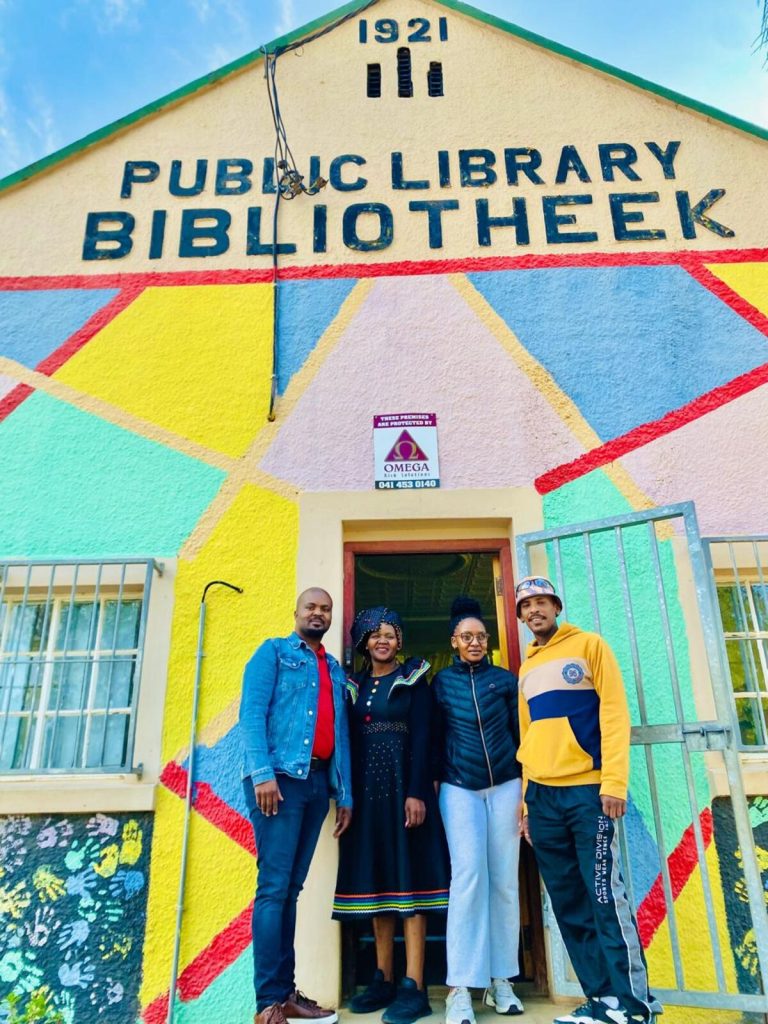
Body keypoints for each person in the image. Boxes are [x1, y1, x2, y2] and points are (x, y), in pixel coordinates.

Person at [515, 576, 662, 1024]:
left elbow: (615, 714)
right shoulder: (526, 666)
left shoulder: (590, 646)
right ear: (520, 616)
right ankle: (604, 1001)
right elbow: (528, 736)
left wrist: (613, 783)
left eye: (542, 601)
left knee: (604, 896)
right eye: (527, 605)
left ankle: (635, 1005)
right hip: (542, 798)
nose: (535, 610)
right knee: (567, 902)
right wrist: (525, 805)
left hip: (587, 793)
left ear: (556, 606)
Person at [239, 587, 353, 1024]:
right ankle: (268, 1003)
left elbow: (338, 733)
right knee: (273, 888)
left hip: (316, 784)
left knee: (291, 891)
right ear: (297, 613)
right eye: (312, 607)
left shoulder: (333, 668)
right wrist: (263, 774)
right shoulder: (272, 653)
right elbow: (251, 714)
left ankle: (286, 995)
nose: (319, 613)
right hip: (279, 781)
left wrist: (344, 794)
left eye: (325, 609)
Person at [333, 606, 450, 1024]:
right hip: (366, 800)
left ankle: (414, 985)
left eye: (390, 634)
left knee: (410, 883)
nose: (383, 640)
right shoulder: (354, 685)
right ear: (363, 642)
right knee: (379, 882)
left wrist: (418, 791)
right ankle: (382, 977)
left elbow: (425, 736)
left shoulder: (416, 680)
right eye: (374, 634)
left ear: (400, 641)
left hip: (405, 794)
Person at [432, 596, 525, 1024]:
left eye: (480, 636)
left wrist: (528, 792)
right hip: (459, 788)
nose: (474, 642)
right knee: (469, 877)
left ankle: (501, 979)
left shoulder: (505, 681)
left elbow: (520, 736)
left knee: (505, 879)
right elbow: (434, 739)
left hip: (506, 784)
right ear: (454, 641)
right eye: (466, 637)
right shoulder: (441, 684)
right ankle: (460, 988)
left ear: (488, 641)